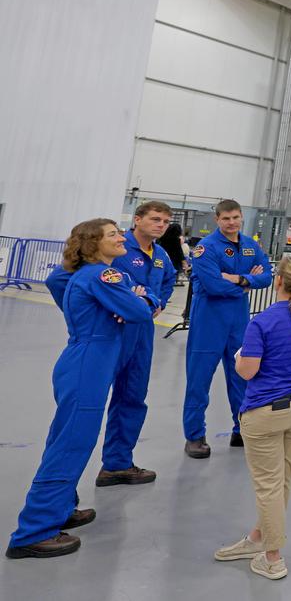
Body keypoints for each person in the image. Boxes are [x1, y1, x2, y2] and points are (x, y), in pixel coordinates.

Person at [7, 219, 157, 559]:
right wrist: (142, 299)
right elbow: (137, 312)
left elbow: (60, 282)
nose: (122, 238)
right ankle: (34, 531)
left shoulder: (85, 275)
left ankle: (61, 508)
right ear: (93, 243)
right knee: (71, 444)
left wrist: (123, 302)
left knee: (67, 439)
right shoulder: (103, 275)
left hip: (86, 360)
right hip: (89, 364)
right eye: (113, 234)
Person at [215, 255, 291, 580]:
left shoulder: (262, 322)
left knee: (267, 485)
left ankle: (272, 557)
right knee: (281, 479)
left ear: (278, 281)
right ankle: (258, 537)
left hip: (266, 411)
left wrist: (239, 359)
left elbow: (247, 371)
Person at [96, 201, 177, 487]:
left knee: (132, 395)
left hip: (142, 331)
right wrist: (123, 303)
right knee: (91, 399)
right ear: (137, 219)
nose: (161, 225)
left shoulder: (160, 255)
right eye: (155, 219)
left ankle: (117, 464)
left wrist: (158, 303)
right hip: (113, 328)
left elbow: (169, 280)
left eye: (165, 221)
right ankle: (65, 481)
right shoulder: (118, 249)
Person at [184, 199, 272, 459]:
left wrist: (238, 278)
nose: (231, 222)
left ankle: (241, 429)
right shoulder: (206, 248)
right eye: (226, 218)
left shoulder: (250, 245)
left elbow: (266, 277)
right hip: (208, 321)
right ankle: (194, 436)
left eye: (235, 217)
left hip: (239, 322)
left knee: (242, 377)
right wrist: (246, 285)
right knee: (199, 380)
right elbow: (212, 286)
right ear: (217, 219)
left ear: (242, 217)